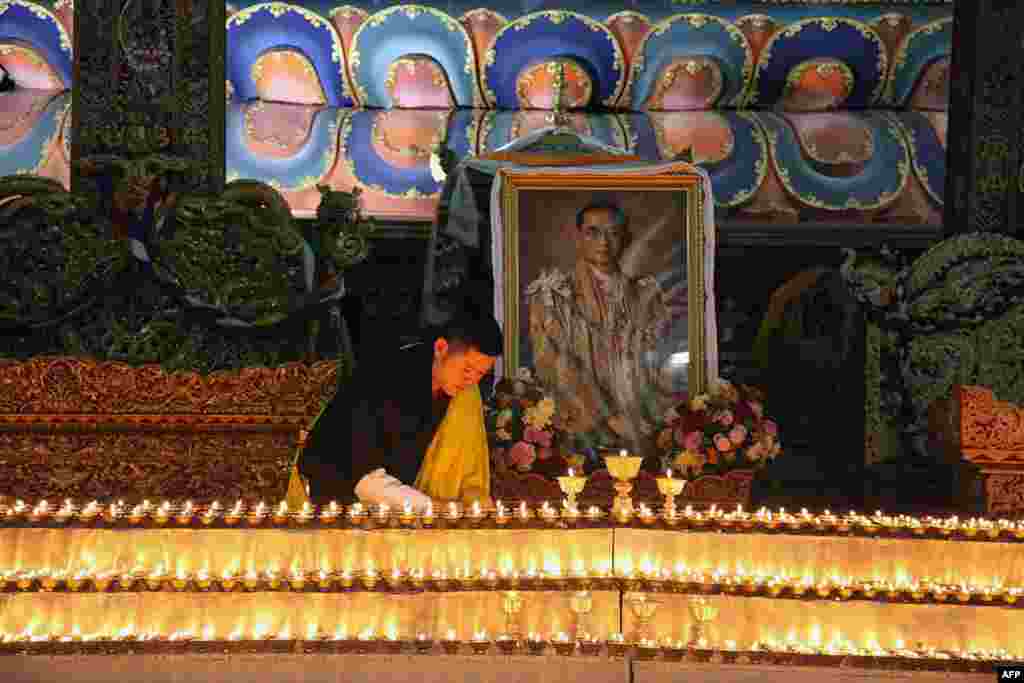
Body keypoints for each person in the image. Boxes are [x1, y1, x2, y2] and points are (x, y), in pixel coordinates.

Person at [296, 308, 503, 510]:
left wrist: (473, 498)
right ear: (441, 348)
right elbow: (364, 478)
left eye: (480, 374)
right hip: (335, 500)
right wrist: (438, 508)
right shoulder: (385, 379)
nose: (471, 381)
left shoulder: (465, 395)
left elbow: (471, 476)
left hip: (405, 508)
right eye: (467, 369)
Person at [525, 200, 676, 460]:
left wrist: (645, 418)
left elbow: (663, 362)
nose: (603, 242)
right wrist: (607, 416)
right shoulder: (553, 295)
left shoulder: (646, 294)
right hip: (580, 431)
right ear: (578, 238)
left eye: (613, 233)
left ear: (625, 239)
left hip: (640, 430)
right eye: (593, 232)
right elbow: (553, 363)